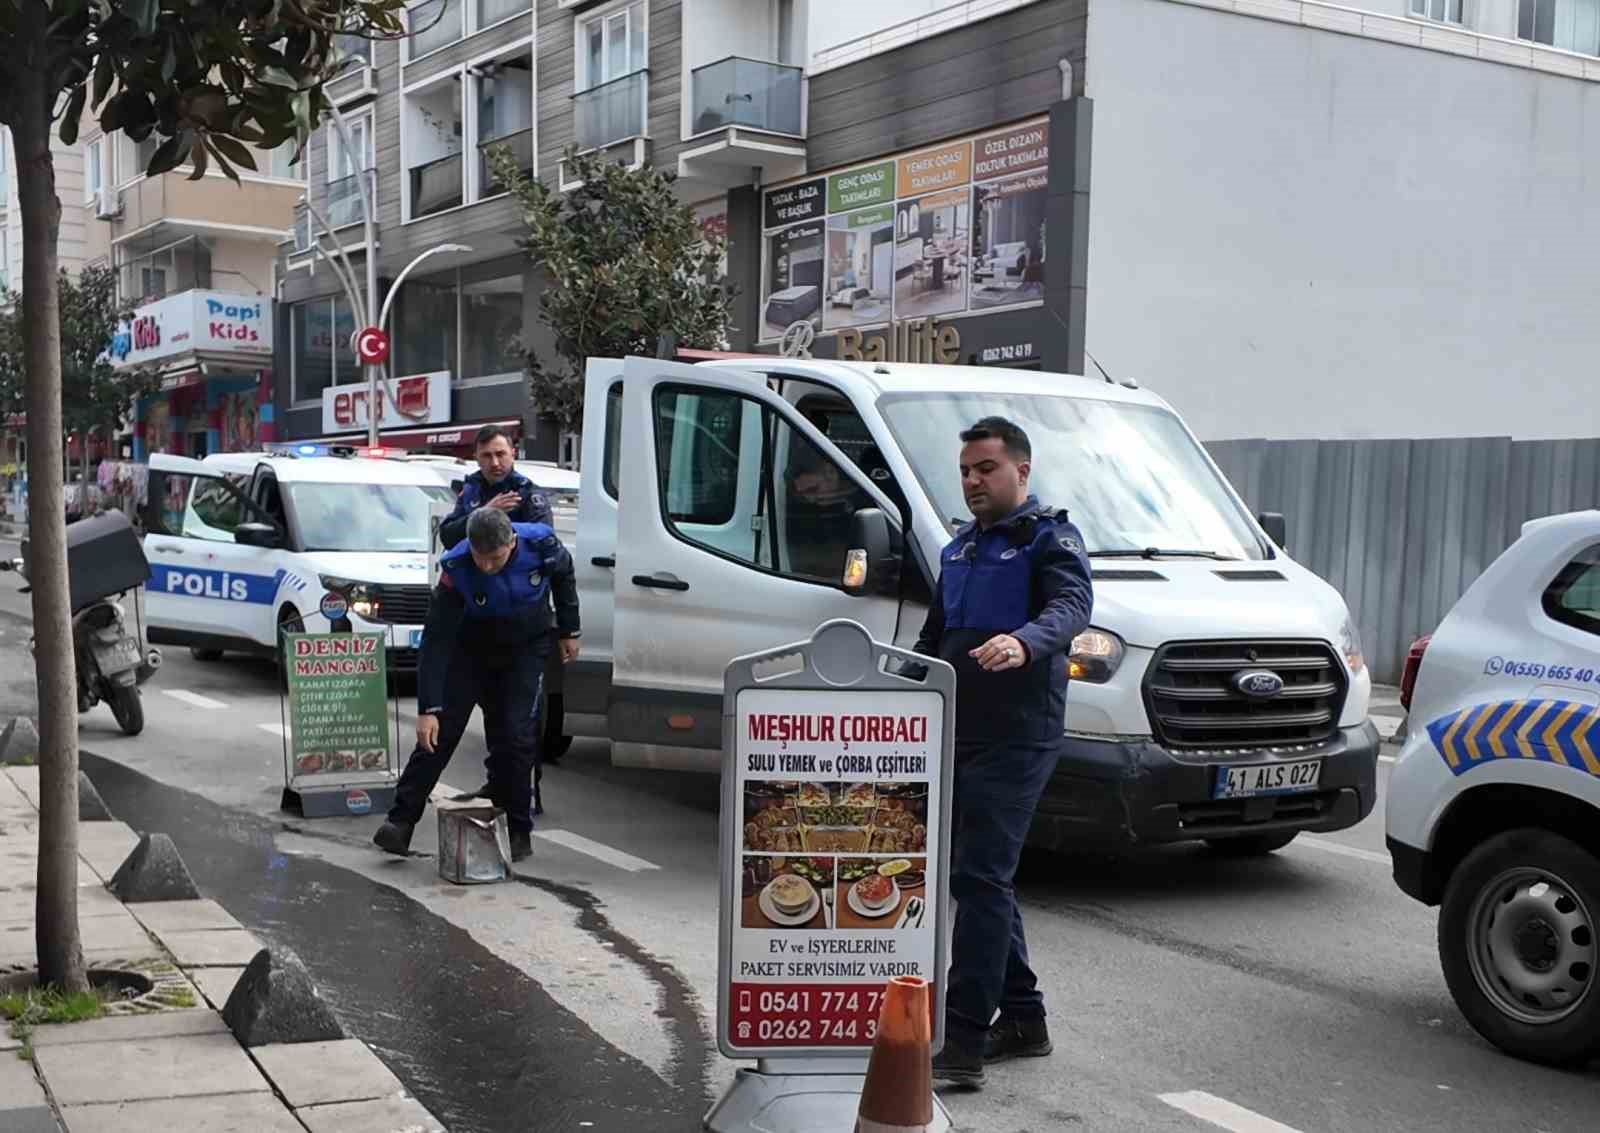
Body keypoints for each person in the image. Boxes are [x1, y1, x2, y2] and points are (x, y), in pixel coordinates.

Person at [916, 416, 1093, 1088]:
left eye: (986, 468)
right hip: (958, 730)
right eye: (965, 470)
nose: (972, 481)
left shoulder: (1050, 539)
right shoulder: (958, 549)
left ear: (1022, 470)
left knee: (981, 878)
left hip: (1018, 736)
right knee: (979, 876)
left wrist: (1025, 641)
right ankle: (1023, 1018)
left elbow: (1072, 606)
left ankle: (961, 1041)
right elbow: (934, 640)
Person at [374, 508, 580, 862]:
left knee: (515, 736)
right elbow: (436, 641)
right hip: (469, 649)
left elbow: (564, 576)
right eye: (479, 557)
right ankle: (400, 821)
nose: (485, 566)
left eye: (495, 559)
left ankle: (517, 830)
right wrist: (428, 708)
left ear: (511, 543)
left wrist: (569, 628)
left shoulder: (541, 545)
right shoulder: (456, 568)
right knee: (439, 733)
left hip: (525, 648)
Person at [437, 425, 552, 548]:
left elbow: (545, 536)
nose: (495, 463)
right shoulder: (471, 489)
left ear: (513, 454)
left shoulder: (526, 491)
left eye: (500, 454)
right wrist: (484, 515)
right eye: (486, 456)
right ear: (476, 458)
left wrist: (499, 526)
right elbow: (447, 537)